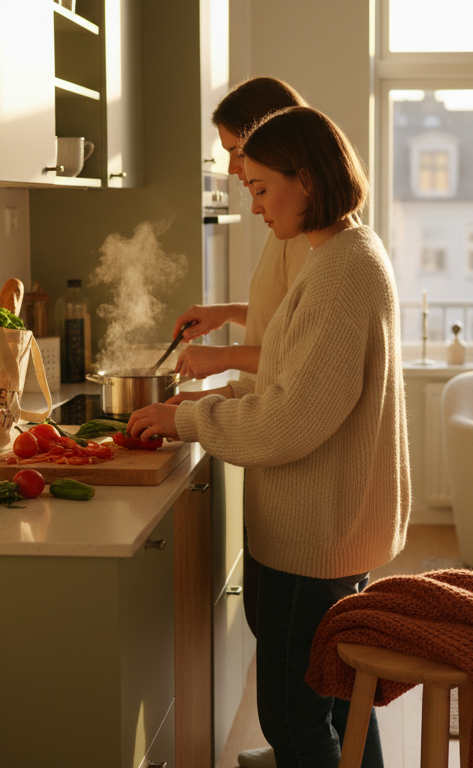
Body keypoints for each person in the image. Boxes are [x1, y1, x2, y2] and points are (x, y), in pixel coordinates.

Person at [128, 106, 410, 768]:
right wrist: (214, 397)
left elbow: (291, 420)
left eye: (259, 188)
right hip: (326, 529)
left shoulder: (342, 272)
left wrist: (189, 417)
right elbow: (292, 380)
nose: (253, 207)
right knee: (342, 700)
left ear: (305, 180)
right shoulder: (339, 254)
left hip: (312, 538)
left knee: (293, 717)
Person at [169, 76, 311, 385]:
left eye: (238, 151)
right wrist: (228, 313)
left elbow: (305, 354)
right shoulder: (286, 226)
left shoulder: (306, 234)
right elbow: (286, 322)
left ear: (274, 142)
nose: (232, 168)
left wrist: (223, 357)